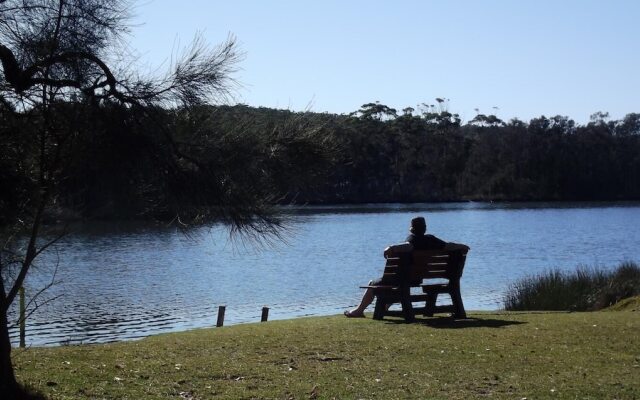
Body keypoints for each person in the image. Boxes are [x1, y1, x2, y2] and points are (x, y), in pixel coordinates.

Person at [344, 216, 468, 318]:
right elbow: (449, 246)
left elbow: (408, 246)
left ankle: (359, 311)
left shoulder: (412, 239)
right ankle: (385, 307)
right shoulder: (432, 240)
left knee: (373, 283)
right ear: (425, 228)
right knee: (400, 283)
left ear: (412, 229)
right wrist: (462, 246)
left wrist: (391, 248)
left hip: (404, 278)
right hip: (416, 278)